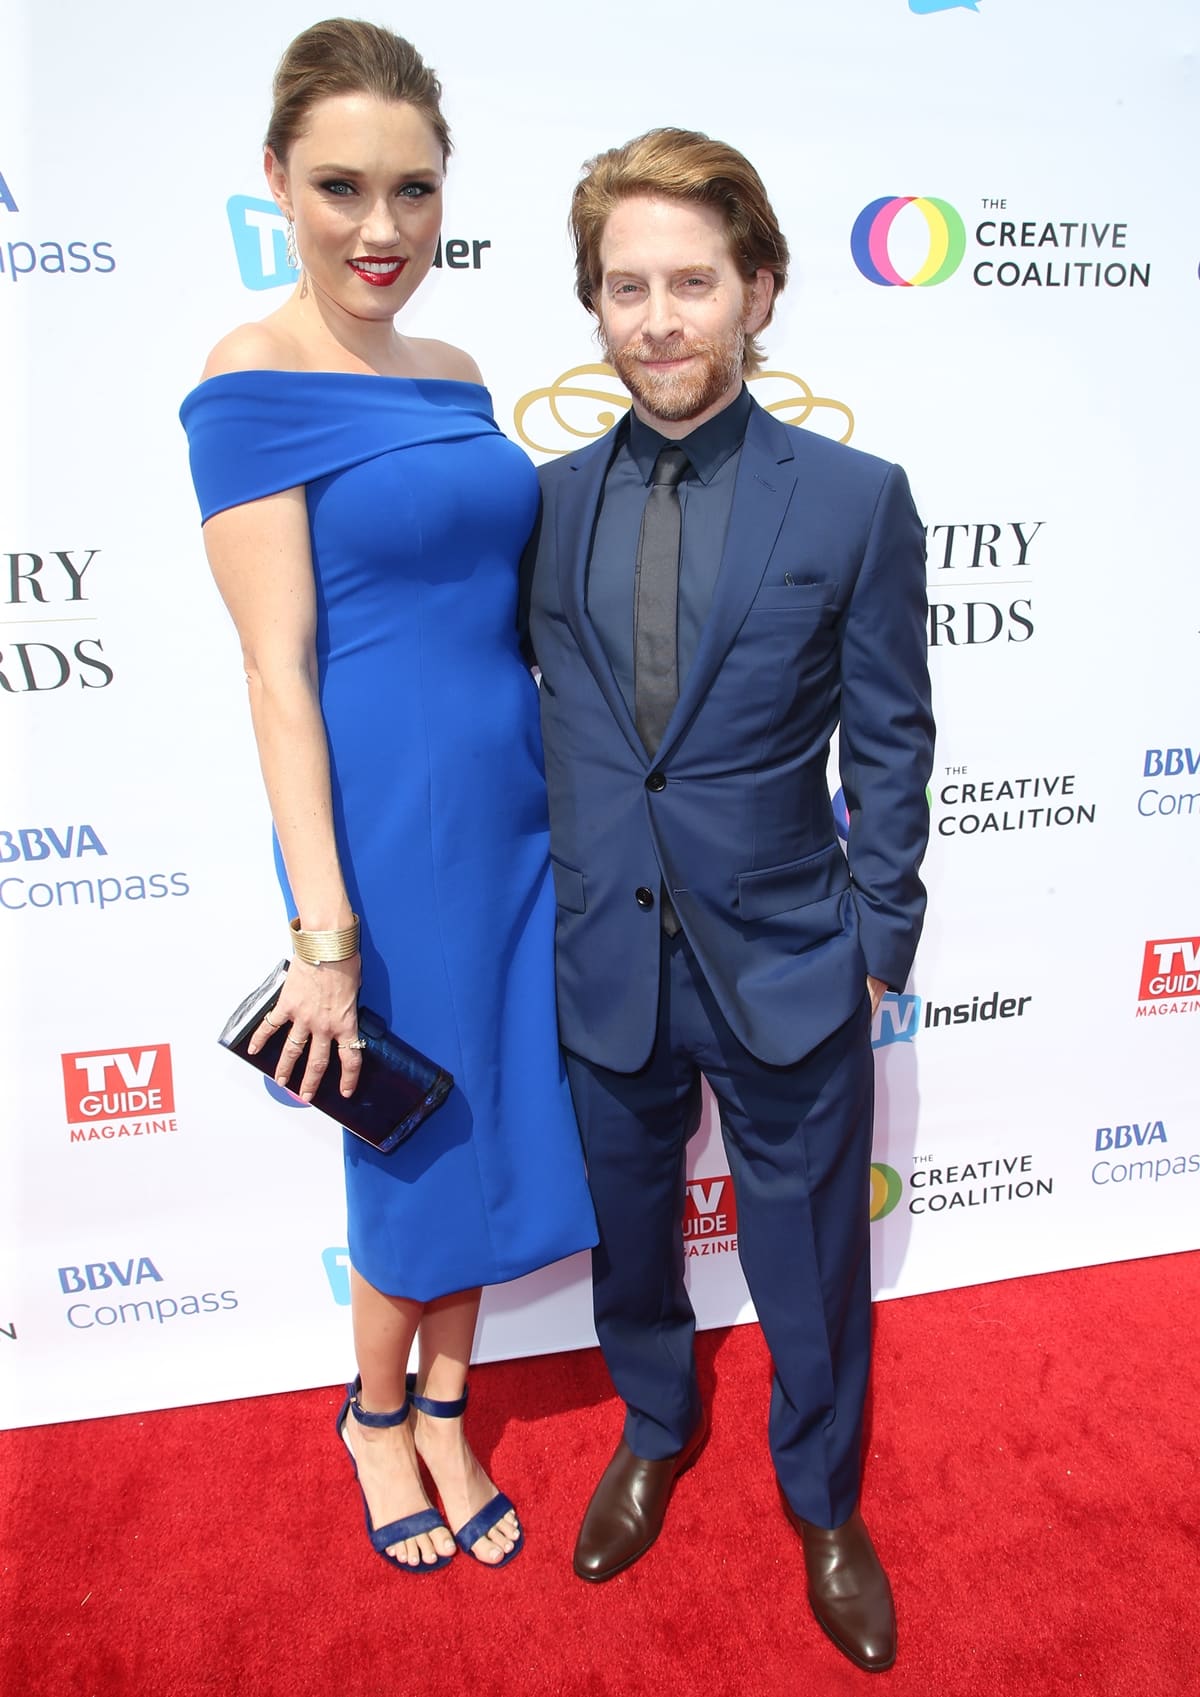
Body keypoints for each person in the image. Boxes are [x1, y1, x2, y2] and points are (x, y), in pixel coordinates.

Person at [180, 19, 595, 1576]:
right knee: (407, 1129)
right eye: (343, 184)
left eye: (414, 191)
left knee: (487, 1098)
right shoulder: (250, 378)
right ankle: (374, 1414)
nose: (381, 227)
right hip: (383, 834)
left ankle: (446, 1400)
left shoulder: (459, 369)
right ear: (275, 180)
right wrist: (324, 927)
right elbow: (276, 672)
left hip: (516, 811)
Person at [521, 128, 934, 1669]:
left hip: (786, 957)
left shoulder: (851, 498)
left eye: (692, 281)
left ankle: (824, 1498)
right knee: (634, 1237)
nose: (658, 319)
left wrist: (880, 934)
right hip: (608, 957)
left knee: (809, 1259)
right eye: (625, 287)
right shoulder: (544, 503)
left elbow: (892, 731)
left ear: (757, 289)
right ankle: (652, 1425)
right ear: (596, 304)